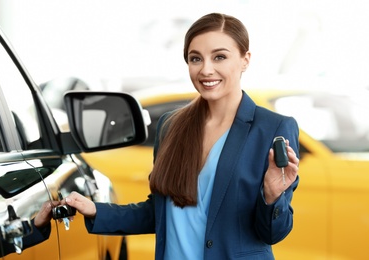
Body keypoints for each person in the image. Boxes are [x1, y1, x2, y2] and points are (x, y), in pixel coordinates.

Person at [63, 12, 300, 260]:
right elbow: (162, 213)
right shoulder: (171, 126)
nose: (206, 70)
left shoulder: (274, 129)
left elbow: (272, 234)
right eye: (195, 58)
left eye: (219, 57)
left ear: (245, 59)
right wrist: (95, 211)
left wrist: (272, 197)